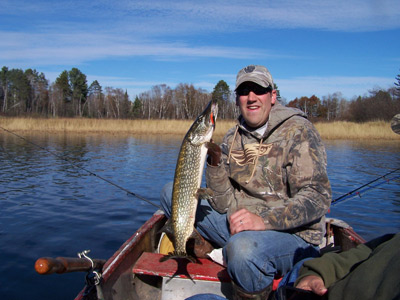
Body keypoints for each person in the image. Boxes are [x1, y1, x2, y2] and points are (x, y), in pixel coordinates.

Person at [161, 64, 331, 299]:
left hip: (292, 237)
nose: (251, 97)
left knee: (242, 249)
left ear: (272, 96)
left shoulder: (298, 131)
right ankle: (217, 249)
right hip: (239, 225)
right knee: (170, 193)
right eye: (244, 91)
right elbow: (223, 204)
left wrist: (262, 220)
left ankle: (235, 260)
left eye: (258, 90)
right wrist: (214, 165)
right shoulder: (232, 138)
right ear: (238, 98)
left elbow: (317, 197)